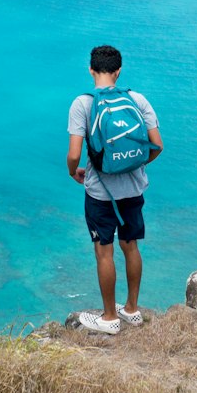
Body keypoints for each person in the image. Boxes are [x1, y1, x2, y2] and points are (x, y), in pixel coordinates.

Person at [66, 44, 163, 335]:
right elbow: (157, 145)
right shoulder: (138, 99)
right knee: (131, 245)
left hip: (100, 193)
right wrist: (133, 165)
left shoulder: (82, 104)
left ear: (91, 70)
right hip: (133, 189)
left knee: (104, 252)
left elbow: (73, 154)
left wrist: (75, 172)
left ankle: (109, 317)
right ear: (119, 71)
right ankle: (132, 310)